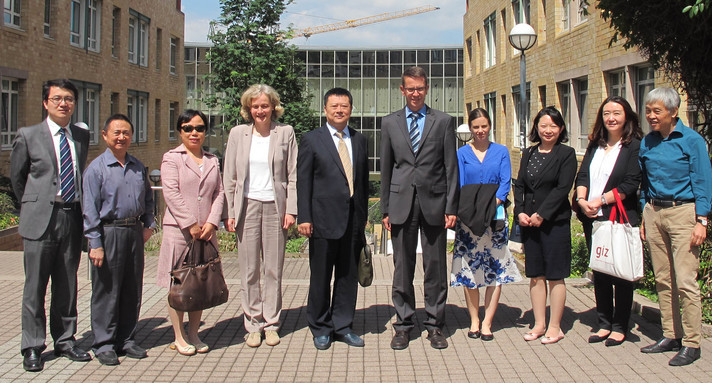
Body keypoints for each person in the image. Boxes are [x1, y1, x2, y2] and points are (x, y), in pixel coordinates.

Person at [10, 79, 92, 372]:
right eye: (57, 98)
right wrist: (36, 205)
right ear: (46, 103)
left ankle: (66, 340)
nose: (63, 103)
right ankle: (32, 346)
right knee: (35, 287)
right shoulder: (28, 135)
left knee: (67, 284)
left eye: (68, 98)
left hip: (71, 217)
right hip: (40, 220)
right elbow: (17, 180)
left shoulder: (81, 136)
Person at [380, 66, 459, 350]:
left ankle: (435, 324)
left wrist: (452, 206)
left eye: (420, 88)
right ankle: (403, 325)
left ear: (427, 89)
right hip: (401, 203)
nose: (415, 93)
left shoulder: (443, 121)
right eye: (410, 88)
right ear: (402, 90)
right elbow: (386, 167)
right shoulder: (389, 123)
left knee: (435, 267)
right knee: (402, 268)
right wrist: (385, 208)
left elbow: (451, 166)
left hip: (435, 204)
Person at [638, 87, 712, 366]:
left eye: (656, 111)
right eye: (648, 111)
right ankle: (671, 334)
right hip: (654, 212)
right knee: (662, 278)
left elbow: (703, 181)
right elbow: (644, 180)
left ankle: (692, 343)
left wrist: (701, 220)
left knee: (685, 281)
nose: (651, 116)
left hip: (683, 212)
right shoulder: (648, 142)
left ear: (673, 112)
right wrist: (645, 213)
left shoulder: (692, 141)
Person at [223, 84, 297, 348]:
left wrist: (291, 209)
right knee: (250, 269)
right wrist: (230, 212)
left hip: (276, 207)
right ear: (248, 109)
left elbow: (292, 174)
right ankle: (253, 323)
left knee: (273, 270)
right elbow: (229, 176)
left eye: (264, 105)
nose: (260, 110)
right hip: (247, 206)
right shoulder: (238, 134)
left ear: (273, 107)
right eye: (255, 106)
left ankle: (272, 323)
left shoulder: (285, 132)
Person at [297, 87, 369, 350]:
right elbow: (303, 181)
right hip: (322, 219)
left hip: (352, 220)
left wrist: (363, 217)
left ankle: (342, 325)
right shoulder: (311, 140)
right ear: (325, 109)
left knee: (348, 275)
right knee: (321, 276)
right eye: (334, 106)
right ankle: (320, 327)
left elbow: (360, 181)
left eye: (345, 106)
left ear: (351, 109)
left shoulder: (360, 139)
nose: (340, 110)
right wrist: (304, 216)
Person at [82, 114, 155, 366]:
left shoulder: (137, 166)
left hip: (134, 232)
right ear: (105, 136)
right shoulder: (96, 169)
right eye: (116, 132)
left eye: (126, 133)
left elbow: (148, 198)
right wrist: (95, 242)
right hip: (108, 232)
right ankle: (104, 343)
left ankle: (126, 339)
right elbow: (89, 209)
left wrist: (150, 225)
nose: (121, 137)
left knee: (131, 287)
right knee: (106, 289)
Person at [574, 97, 642, 347]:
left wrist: (600, 200)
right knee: (600, 270)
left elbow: (630, 183)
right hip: (592, 217)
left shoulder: (634, 145)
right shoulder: (595, 144)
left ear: (627, 116)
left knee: (621, 272)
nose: (611, 118)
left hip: (618, 217)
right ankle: (603, 322)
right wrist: (582, 201)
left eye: (616, 113)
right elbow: (582, 175)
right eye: (606, 113)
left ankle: (620, 326)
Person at [451, 108, 522, 341]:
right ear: (470, 128)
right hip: (469, 221)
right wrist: (470, 210)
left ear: (489, 126)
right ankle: (474, 320)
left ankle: (488, 323)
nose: (480, 131)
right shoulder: (462, 153)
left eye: (484, 126)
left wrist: (490, 205)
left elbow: (504, 182)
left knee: (495, 270)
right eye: (475, 127)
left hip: (495, 218)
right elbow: (459, 183)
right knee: (469, 271)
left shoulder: (501, 151)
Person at [157, 110, 225, 355]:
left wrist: (212, 222)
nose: (194, 133)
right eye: (188, 128)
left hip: (206, 232)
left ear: (205, 131)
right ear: (180, 131)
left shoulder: (212, 159)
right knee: (179, 284)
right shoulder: (171, 158)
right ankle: (179, 335)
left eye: (199, 128)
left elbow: (219, 192)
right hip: (180, 232)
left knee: (200, 284)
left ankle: (194, 333)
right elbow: (171, 193)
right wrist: (190, 223)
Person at [513, 106, 577, 345]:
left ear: (560, 129)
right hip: (530, 223)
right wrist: (520, 212)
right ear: (536, 128)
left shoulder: (566, 154)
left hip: (554, 223)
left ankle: (555, 326)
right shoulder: (529, 153)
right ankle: (539, 323)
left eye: (553, 126)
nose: (548, 130)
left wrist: (542, 214)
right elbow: (520, 185)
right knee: (536, 275)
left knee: (555, 276)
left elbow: (563, 188)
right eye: (543, 126)